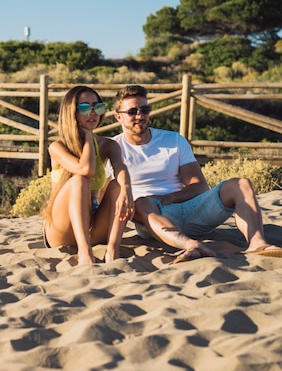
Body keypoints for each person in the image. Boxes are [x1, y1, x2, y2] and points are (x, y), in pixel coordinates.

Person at [112, 84, 282, 262]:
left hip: (189, 208)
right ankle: (191, 246)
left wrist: (168, 198)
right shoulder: (113, 148)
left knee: (241, 184)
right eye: (132, 111)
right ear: (118, 116)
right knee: (142, 202)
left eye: (145, 109)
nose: (140, 116)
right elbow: (107, 197)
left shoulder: (173, 140)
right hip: (151, 217)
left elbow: (199, 186)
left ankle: (257, 243)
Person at [42, 86, 133, 264]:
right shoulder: (57, 147)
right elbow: (86, 170)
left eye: (97, 107)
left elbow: (121, 168)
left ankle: (113, 250)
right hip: (61, 230)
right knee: (80, 181)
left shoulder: (108, 145)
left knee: (117, 185)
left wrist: (126, 190)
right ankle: (85, 253)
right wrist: (88, 138)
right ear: (71, 113)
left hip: (93, 225)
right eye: (84, 108)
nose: (92, 113)